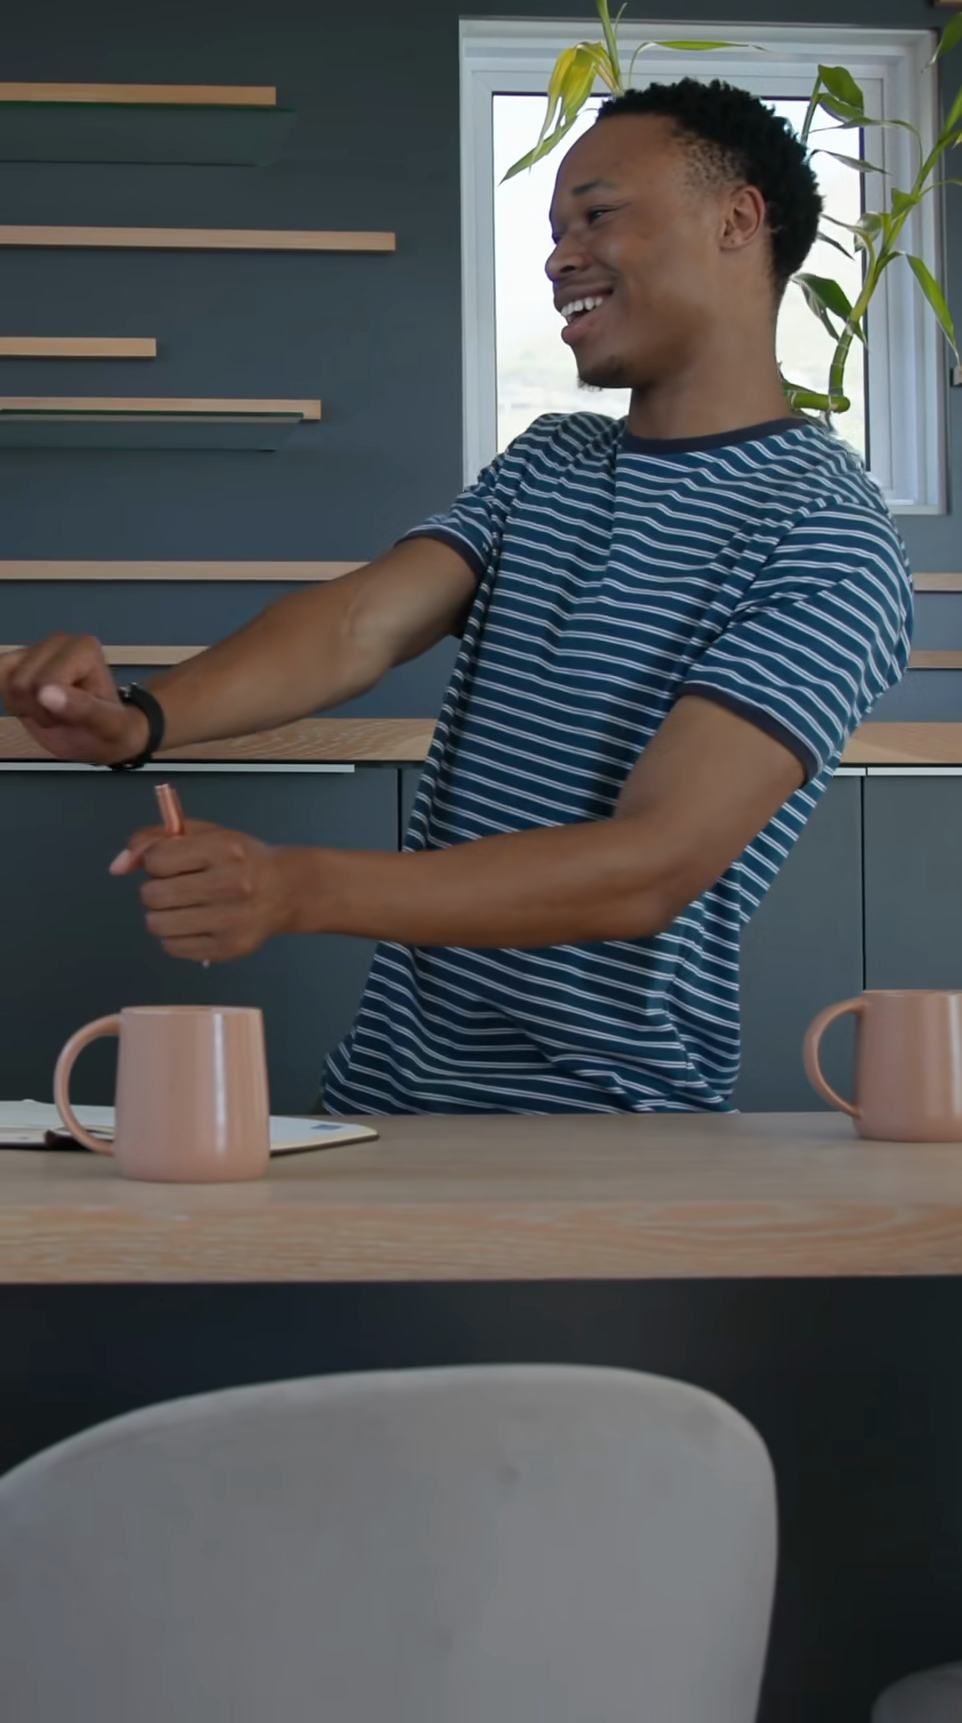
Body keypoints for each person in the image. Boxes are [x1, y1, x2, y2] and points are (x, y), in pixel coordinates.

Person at [0, 79, 913, 1115]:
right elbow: (356, 626)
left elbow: (651, 865)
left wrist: (297, 887)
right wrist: (140, 718)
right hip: (384, 1099)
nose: (560, 257)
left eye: (598, 215)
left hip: (606, 1128)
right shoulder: (551, 463)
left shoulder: (826, 536)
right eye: (556, 231)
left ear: (738, 220)